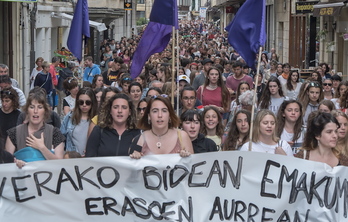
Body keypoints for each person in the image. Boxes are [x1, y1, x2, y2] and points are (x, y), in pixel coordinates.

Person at [5, 88, 65, 160]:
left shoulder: (55, 133)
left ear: (45, 111)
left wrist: (42, 148)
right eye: (32, 107)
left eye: (40, 107)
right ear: (27, 110)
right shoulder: (13, 133)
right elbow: (7, 164)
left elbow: (60, 164)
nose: (35, 111)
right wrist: (16, 163)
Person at [129, 95, 193, 158]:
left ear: (170, 115)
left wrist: (187, 157)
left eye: (164, 111)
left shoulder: (182, 137)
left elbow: (192, 165)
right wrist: (135, 158)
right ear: (149, 116)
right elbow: (131, 166)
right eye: (155, 111)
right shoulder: (140, 139)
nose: (160, 115)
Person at [61, 88, 97, 155]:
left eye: (88, 102)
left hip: (91, 158)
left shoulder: (97, 119)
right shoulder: (69, 117)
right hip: (72, 157)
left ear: (93, 102)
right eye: (81, 102)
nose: (84, 105)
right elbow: (61, 137)